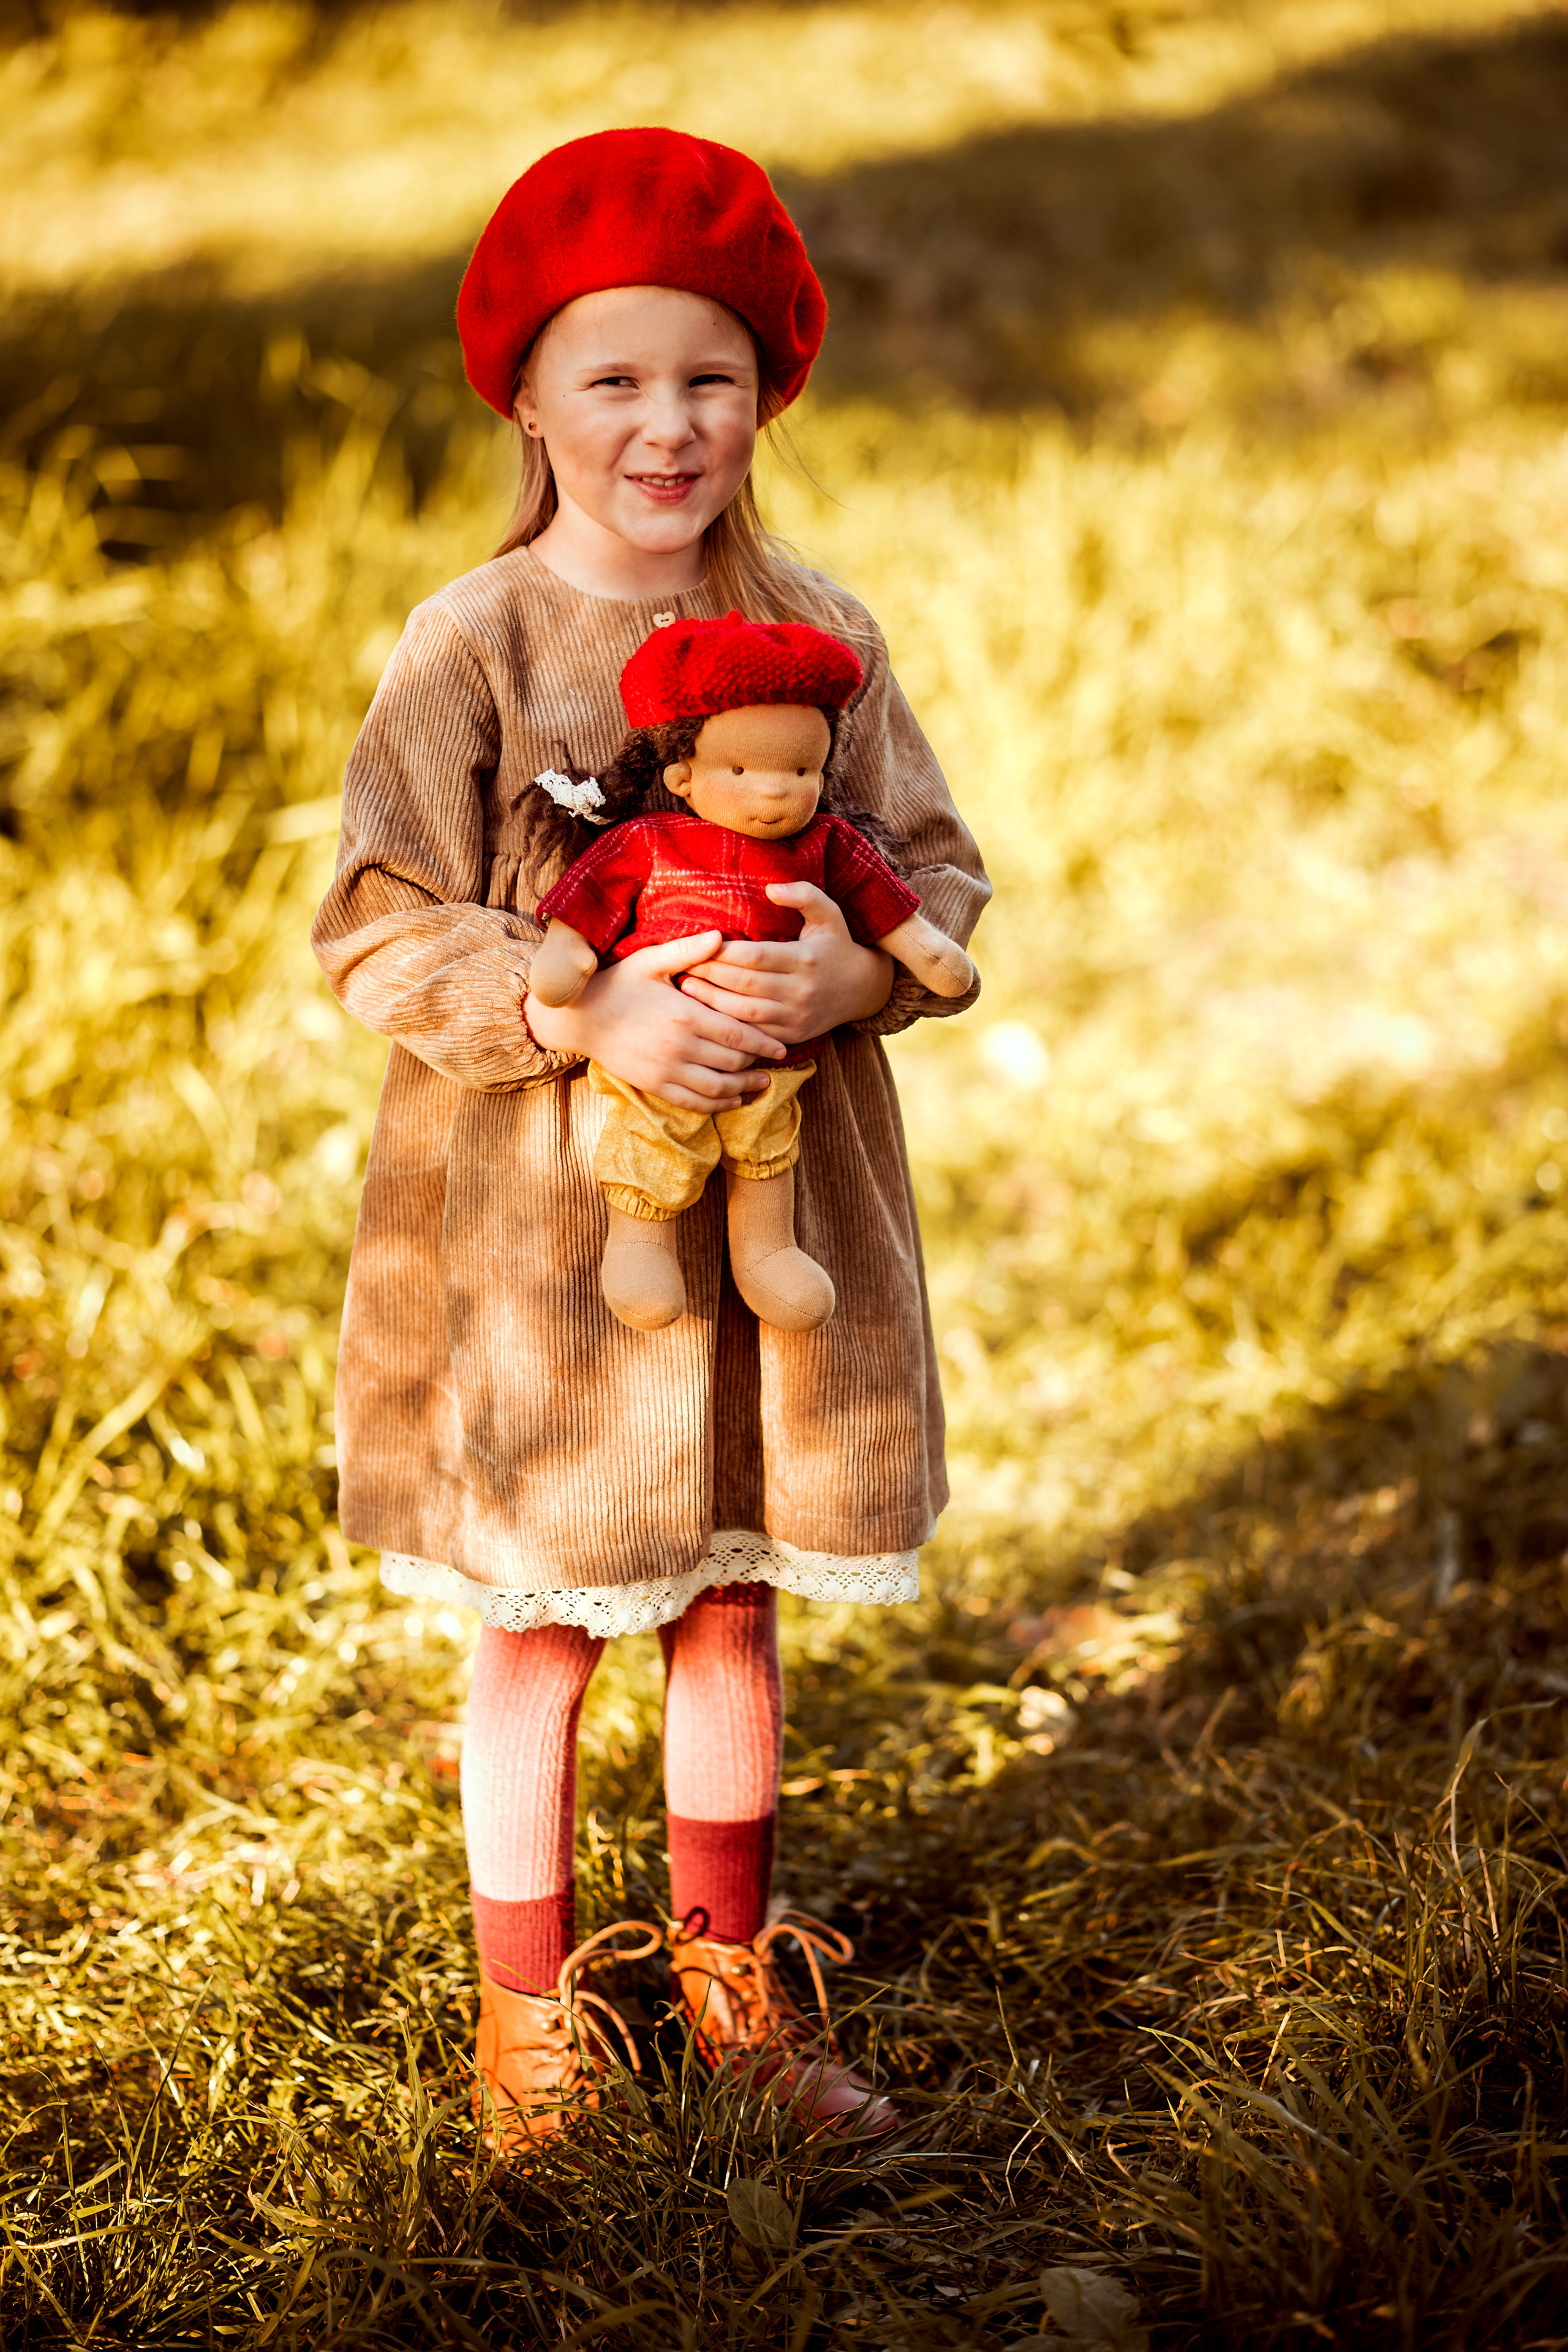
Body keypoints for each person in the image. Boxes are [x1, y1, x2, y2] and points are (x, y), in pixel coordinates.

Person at [311, 126, 990, 2155]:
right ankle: (528, 2015)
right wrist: (574, 996)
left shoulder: (818, 633)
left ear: (767, 388)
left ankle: (728, 1980)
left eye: (706, 376)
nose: (663, 423)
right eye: (611, 378)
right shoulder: (479, 643)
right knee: (543, 1607)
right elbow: (368, 921)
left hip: (779, 1207)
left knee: (725, 1593)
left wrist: (853, 985)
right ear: (526, 393)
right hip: (540, 1226)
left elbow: (939, 876)